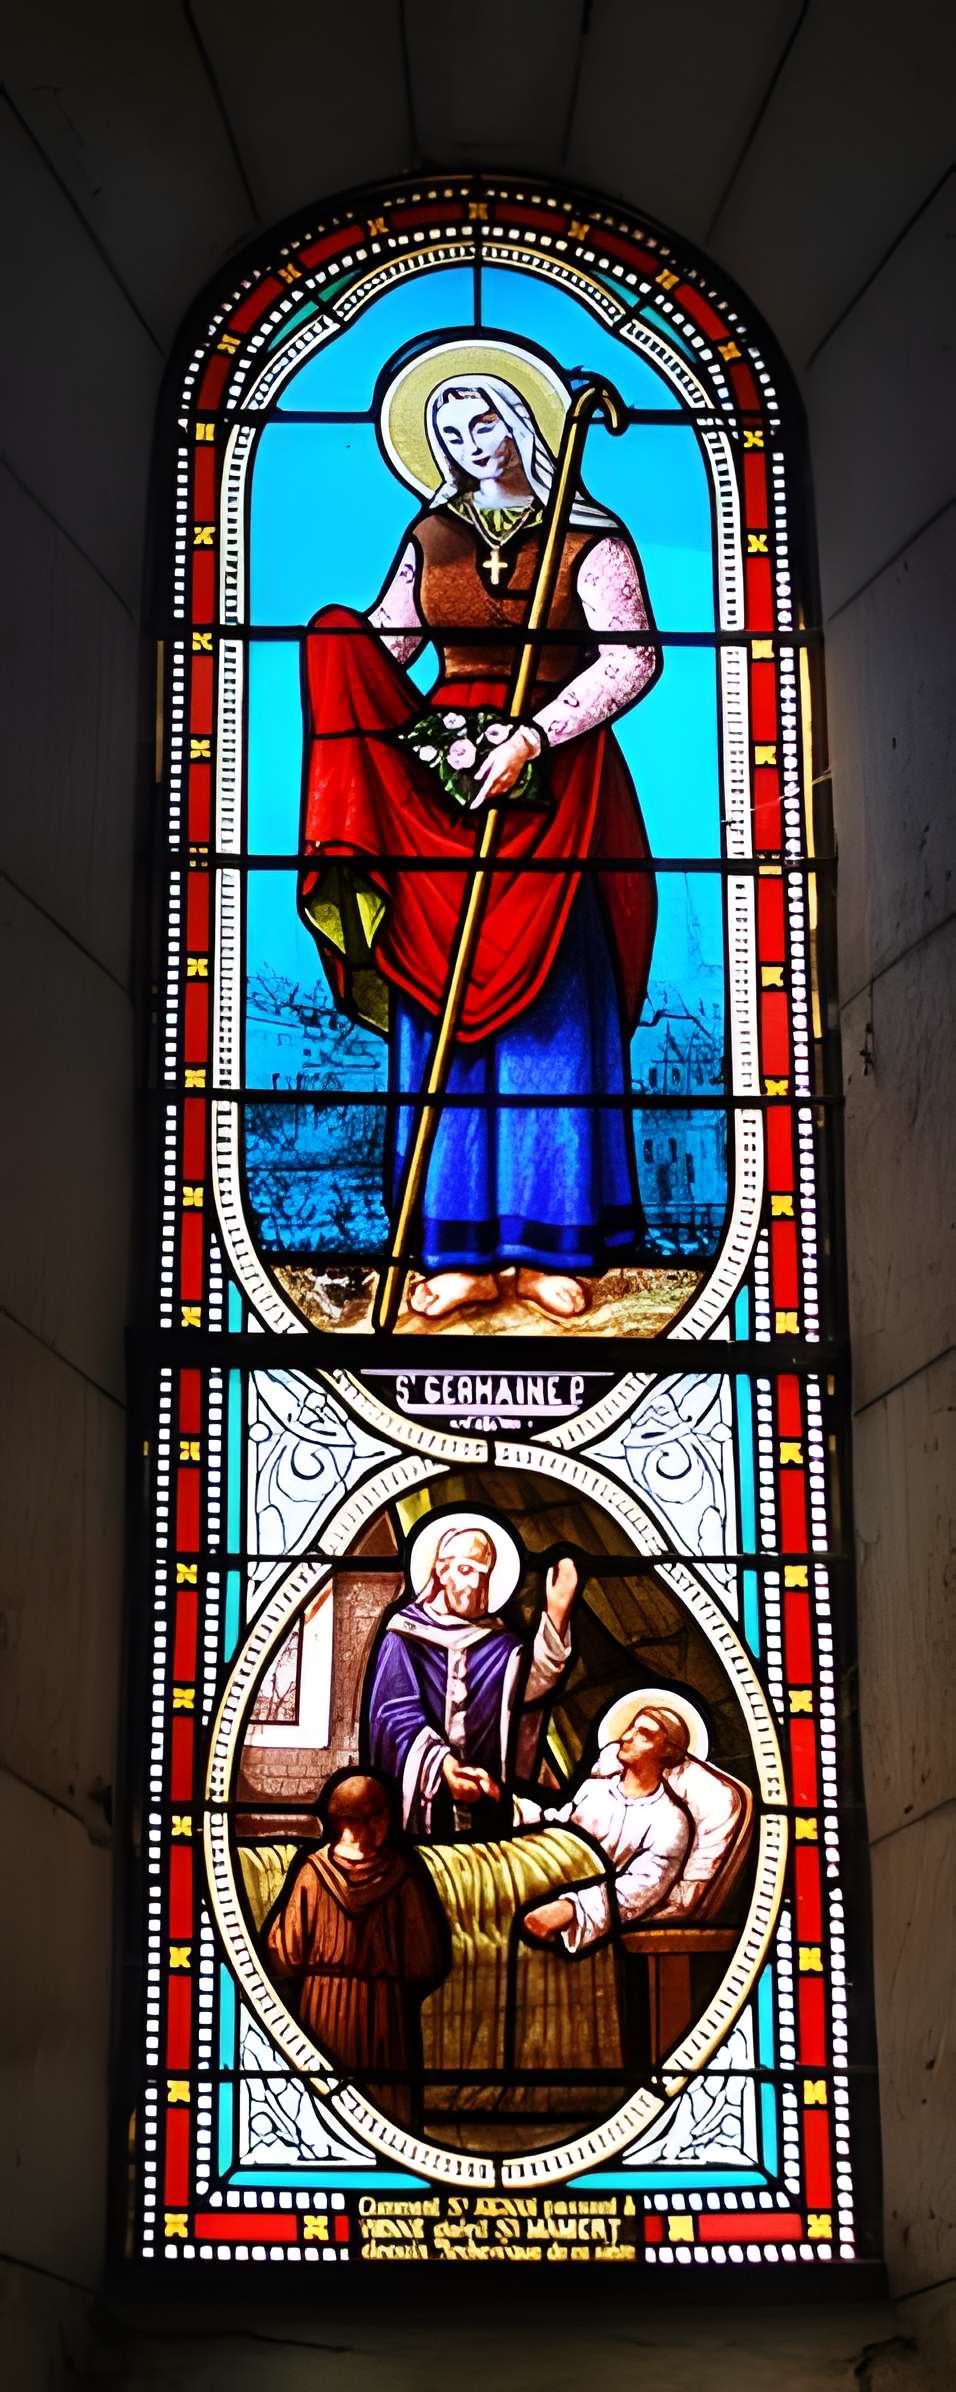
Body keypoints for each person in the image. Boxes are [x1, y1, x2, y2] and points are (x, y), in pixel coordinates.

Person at [299, 355, 661, 1324]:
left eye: (483, 420)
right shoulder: (433, 535)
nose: (469, 441)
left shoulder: (590, 539)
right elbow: (392, 639)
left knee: (546, 1005)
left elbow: (632, 658)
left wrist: (537, 732)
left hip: (557, 787)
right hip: (445, 790)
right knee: (443, 1006)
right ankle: (456, 1250)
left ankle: (550, 1249)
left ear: (517, 420)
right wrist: (339, 645)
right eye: (450, 430)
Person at [364, 1513, 579, 1836]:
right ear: (441, 1570)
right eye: (466, 1570)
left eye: (484, 1573)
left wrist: (558, 1614)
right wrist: (442, 1766)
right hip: (426, 1805)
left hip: (487, 1801)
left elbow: (530, 1689)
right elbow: (392, 1716)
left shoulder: (497, 1642)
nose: (476, 1584)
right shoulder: (404, 1635)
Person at [264, 1772, 448, 2130]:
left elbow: (284, 1954)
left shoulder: (313, 1875)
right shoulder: (404, 1875)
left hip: (321, 2009)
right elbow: (426, 1960)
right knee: (386, 2115)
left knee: (323, 2111)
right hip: (385, 2013)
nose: (388, 1822)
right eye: (382, 1814)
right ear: (369, 1819)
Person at [520, 1702, 693, 1953]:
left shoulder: (670, 1821)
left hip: (579, 1917)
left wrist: (572, 1909)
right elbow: (557, 1823)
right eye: (630, 1728)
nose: (625, 1737)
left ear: (668, 1751)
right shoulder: (596, 1789)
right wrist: (510, 1807)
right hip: (537, 1872)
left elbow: (640, 1889)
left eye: (643, 1734)